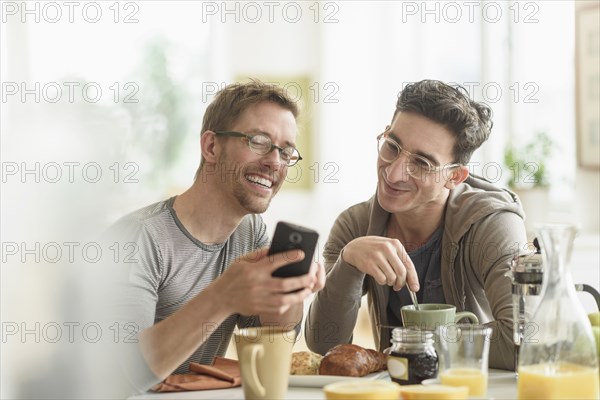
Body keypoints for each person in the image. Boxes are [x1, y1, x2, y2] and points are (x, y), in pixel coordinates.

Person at [111, 80, 325, 391]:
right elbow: (126, 372)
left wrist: (290, 291)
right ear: (211, 147)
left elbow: (267, 342)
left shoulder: (250, 234)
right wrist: (224, 295)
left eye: (286, 150)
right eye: (259, 141)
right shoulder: (138, 238)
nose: (274, 161)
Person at [305, 79, 527, 370]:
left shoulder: (493, 224)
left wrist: (410, 345)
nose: (394, 173)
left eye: (422, 163)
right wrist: (348, 263)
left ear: (455, 177)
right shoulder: (355, 225)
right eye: (392, 146)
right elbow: (323, 344)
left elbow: (521, 341)